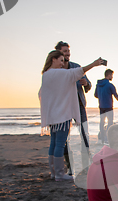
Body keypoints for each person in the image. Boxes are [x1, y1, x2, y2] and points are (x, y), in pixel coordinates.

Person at [39, 50, 103, 181]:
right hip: (62, 115)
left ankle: (53, 173)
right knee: (60, 144)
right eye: (61, 60)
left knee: (54, 143)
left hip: (52, 115)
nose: (63, 63)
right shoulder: (58, 73)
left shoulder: (46, 75)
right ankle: (60, 174)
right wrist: (94, 64)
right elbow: (77, 72)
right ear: (53, 59)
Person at [55, 41, 93, 171]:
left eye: (68, 51)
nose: (68, 54)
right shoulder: (55, 70)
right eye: (65, 51)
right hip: (63, 108)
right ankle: (70, 167)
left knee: (84, 135)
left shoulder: (76, 67)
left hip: (79, 106)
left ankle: (87, 167)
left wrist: (85, 83)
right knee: (64, 138)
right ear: (58, 53)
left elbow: (89, 85)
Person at [94, 69, 118, 144]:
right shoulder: (110, 85)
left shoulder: (98, 85)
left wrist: (102, 95)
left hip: (101, 106)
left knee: (102, 122)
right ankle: (107, 139)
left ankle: (102, 139)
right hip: (108, 106)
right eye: (112, 75)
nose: (112, 77)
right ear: (109, 75)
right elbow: (116, 96)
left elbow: (95, 95)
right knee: (110, 123)